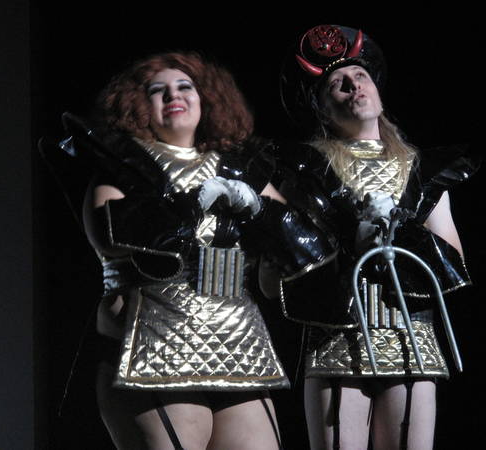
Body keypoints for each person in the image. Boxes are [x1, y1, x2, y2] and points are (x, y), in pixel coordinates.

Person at [41, 51, 333, 450]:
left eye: (184, 86)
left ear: (205, 98)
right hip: (154, 342)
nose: (173, 95)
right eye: (156, 90)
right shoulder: (120, 169)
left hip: (237, 344)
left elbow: (305, 249)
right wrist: (193, 203)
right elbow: (112, 236)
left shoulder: (241, 169)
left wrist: (260, 209)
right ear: (136, 105)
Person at [276, 25, 479, 450]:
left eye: (360, 76)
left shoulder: (422, 172)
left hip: (411, 338)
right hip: (336, 337)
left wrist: (401, 235)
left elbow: (452, 263)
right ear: (322, 109)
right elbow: (281, 269)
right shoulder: (305, 174)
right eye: (338, 83)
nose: (353, 86)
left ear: (379, 92)